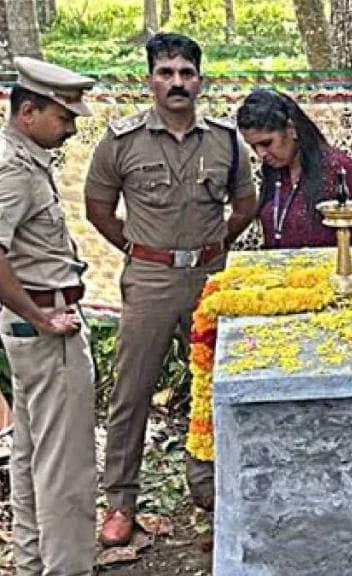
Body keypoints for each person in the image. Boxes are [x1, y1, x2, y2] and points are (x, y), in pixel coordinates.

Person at [85, 33, 258, 546]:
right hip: (151, 280)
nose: (177, 82)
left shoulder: (227, 140)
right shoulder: (121, 142)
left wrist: (213, 244)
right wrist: (144, 251)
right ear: (150, 80)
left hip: (212, 278)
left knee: (220, 387)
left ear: (200, 80)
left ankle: (216, 492)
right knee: (132, 392)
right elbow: (98, 210)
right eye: (166, 73)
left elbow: (243, 205)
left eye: (186, 73)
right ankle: (120, 501)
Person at [0, 57, 96, 575]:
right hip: (47, 327)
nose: (73, 127)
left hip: (32, 327)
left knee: (31, 455)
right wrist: (39, 316)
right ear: (28, 111)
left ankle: (34, 564)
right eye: (65, 117)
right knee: (66, 469)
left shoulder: (22, 158)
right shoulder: (13, 171)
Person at [236, 89, 352, 248]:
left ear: (291, 129)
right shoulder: (274, 173)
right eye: (253, 146)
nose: (261, 154)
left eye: (266, 143)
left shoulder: (338, 170)